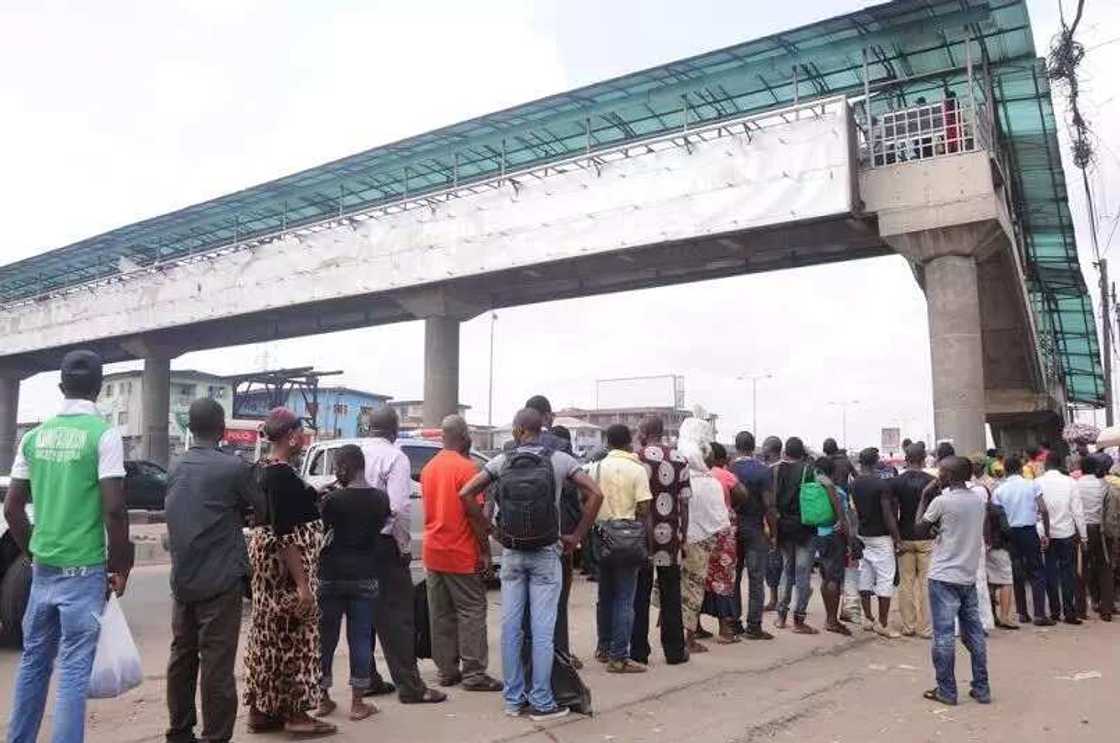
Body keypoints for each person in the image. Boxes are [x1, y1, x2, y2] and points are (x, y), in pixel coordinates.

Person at [5, 350, 131, 743]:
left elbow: (12, 510)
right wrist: (120, 564)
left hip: (43, 570)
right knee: (74, 672)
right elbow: (114, 509)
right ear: (98, 389)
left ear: (61, 388)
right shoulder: (104, 436)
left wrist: (31, 552)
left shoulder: (33, 437)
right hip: (84, 570)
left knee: (33, 664)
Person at [459, 408, 604, 721]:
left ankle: (513, 699)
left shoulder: (501, 461)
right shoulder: (560, 460)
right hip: (546, 553)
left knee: (511, 628)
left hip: (512, 554)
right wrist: (576, 535)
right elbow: (595, 492)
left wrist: (492, 531)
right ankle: (541, 700)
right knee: (542, 630)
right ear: (543, 429)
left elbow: (466, 493)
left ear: (517, 430)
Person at [165, 399, 262, 743]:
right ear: (222, 430)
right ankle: (216, 737)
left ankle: (179, 731)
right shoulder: (233, 468)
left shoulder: (175, 466)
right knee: (217, 665)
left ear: (190, 429)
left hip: (183, 580)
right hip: (220, 581)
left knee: (182, 658)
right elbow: (263, 510)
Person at [243, 408, 336, 736]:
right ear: (292, 436)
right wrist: (303, 586)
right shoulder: (281, 475)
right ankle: (297, 715)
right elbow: (285, 534)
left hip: (267, 572)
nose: (304, 438)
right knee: (296, 638)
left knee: (268, 637)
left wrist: (313, 493)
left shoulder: (262, 469)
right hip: (286, 569)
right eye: (301, 432)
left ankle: (261, 710)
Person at [359, 407, 446, 705]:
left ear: (370, 427)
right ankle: (410, 687)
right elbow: (396, 509)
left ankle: (366, 679)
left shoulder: (355, 451)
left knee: (362, 615)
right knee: (397, 617)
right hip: (383, 545)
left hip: (353, 545)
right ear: (395, 429)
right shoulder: (395, 457)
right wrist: (403, 547)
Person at [418, 416, 503, 691]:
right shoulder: (468, 469)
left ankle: (447, 671)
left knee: (440, 613)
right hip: (460, 551)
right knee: (471, 611)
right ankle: (475, 674)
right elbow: (475, 516)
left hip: (433, 551)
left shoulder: (429, 468)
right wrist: (486, 553)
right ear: (464, 435)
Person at [315, 445, 388, 721]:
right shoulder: (380, 499)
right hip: (365, 575)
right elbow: (379, 528)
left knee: (326, 638)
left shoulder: (332, 500)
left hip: (330, 575)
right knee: (360, 638)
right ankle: (358, 703)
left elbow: (322, 530)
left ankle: (323, 698)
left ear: (343, 467)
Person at [915, 456, 991, 707]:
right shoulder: (979, 500)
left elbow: (919, 529)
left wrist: (925, 496)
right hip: (967, 575)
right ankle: (981, 688)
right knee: (974, 634)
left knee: (944, 636)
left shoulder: (941, 501)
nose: (938, 475)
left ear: (948, 475)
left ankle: (947, 690)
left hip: (943, 576)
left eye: (941, 471)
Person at [587, 424, 652, 671]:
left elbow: (585, 497)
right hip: (628, 536)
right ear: (628, 442)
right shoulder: (637, 469)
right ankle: (618, 657)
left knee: (605, 595)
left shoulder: (595, 468)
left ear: (607, 442)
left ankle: (603, 648)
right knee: (625, 597)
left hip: (602, 534)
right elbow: (644, 508)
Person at [631, 416, 690, 665]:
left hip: (645, 535)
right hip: (671, 535)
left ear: (644, 432)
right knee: (671, 593)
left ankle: (639, 651)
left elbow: (637, 501)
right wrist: (683, 535)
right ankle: (675, 651)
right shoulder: (679, 458)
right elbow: (685, 503)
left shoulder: (639, 458)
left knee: (640, 594)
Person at [675, 418, 728, 652]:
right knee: (693, 590)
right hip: (700, 544)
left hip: (676, 541)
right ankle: (688, 638)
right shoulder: (710, 483)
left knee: (674, 588)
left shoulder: (678, 479)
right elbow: (720, 521)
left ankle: (676, 633)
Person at [728, 431, 776, 640]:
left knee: (733, 577)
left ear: (736, 446)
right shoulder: (763, 471)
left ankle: (733, 621)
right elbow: (769, 505)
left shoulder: (728, 469)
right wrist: (773, 533)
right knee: (756, 578)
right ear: (753, 446)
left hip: (732, 528)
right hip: (755, 528)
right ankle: (754, 626)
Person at [993, 455, 1052, 626]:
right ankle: (1040, 614)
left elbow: (997, 515)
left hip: (1009, 533)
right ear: (1020, 469)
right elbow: (1043, 509)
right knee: (1036, 571)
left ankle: (1022, 613)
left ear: (1005, 470)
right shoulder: (1032, 484)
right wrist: (1046, 533)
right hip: (1028, 530)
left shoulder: (999, 490)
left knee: (1016, 572)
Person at [850, 447, 901, 638]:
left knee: (866, 576)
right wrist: (897, 539)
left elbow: (853, 512)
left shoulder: (854, 484)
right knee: (886, 579)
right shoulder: (881, 485)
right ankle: (883, 623)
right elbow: (888, 515)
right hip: (881, 537)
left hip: (863, 535)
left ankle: (868, 618)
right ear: (876, 461)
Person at [772, 437, 818, 634]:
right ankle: (799, 620)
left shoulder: (775, 470)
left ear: (785, 452)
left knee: (786, 570)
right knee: (802, 573)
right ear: (801, 453)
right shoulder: (808, 470)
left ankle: (781, 617)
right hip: (804, 528)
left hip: (782, 527)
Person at [703, 443, 747, 643]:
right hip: (722, 531)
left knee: (700, 578)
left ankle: (694, 628)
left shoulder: (697, 473)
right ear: (720, 458)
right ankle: (724, 630)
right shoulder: (724, 474)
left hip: (700, 531)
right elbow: (743, 494)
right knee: (723, 579)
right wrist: (730, 506)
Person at [546, 425, 583, 664]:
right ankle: (561, 653)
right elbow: (581, 499)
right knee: (558, 601)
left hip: (524, 539)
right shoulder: (564, 459)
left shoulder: (514, 453)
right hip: (561, 539)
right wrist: (578, 535)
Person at [891, 442, 936, 638]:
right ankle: (926, 628)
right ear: (924, 458)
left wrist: (896, 538)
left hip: (904, 536)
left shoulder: (896, 482)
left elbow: (892, 512)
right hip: (926, 537)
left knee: (906, 583)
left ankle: (908, 626)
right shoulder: (932, 482)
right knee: (926, 583)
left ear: (906, 459)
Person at [1036, 450, 1085, 625]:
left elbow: (1036, 512)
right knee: (1068, 573)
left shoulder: (1038, 482)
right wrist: (1083, 536)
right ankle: (1069, 612)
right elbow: (1077, 512)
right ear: (1060, 464)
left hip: (1047, 535)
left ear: (1046, 464)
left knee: (1050, 572)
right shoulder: (1070, 482)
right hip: (1067, 533)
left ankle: (1055, 612)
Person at [811, 457, 850, 636]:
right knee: (834, 579)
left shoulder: (813, 488)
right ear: (833, 472)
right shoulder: (837, 491)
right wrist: (849, 539)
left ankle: (829, 617)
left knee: (826, 578)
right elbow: (844, 518)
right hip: (834, 537)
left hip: (819, 534)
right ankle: (832, 620)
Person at [1075, 453, 1113, 620]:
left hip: (1082, 530)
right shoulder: (1103, 484)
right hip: (1101, 530)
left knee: (1081, 569)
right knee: (1104, 568)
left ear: (1081, 469)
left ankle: (1081, 610)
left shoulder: (1076, 485)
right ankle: (1106, 610)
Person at [984, 487, 1016, 631]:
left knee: (989, 582)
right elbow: (1006, 529)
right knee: (1006, 581)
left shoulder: (975, 509)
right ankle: (1005, 617)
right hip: (999, 548)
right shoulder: (997, 509)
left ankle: (992, 616)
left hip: (983, 550)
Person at [760, 436, 785, 612]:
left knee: (773, 559)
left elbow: (771, 498)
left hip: (773, 517)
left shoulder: (771, 471)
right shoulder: (786, 467)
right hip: (787, 518)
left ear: (769, 449)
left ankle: (775, 599)